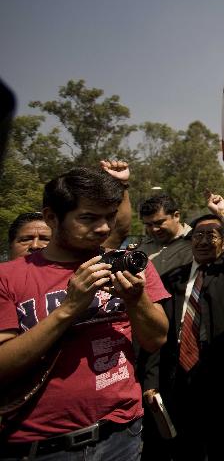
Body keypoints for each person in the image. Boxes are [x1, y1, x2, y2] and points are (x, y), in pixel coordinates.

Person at [0, 167, 169, 459]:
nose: (104, 228)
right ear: (52, 217)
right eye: (88, 218)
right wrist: (68, 309)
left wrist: (136, 299)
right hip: (38, 445)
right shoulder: (8, 277)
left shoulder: (127, 265)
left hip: (120, 435)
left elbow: (157, 339)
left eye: (110, 216)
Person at [142, 191, 224, 461]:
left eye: (211, 236)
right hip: (180, 379)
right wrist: (151, 379)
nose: (203, 242)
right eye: (197, 236)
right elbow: (159, 329)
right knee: (186, 449)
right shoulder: (173, 278)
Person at [137, 193, 193, 277]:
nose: (154, 229)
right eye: (149, 225)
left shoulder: (196, 241)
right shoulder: (142, 248)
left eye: (159, 223)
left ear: (176, 216)